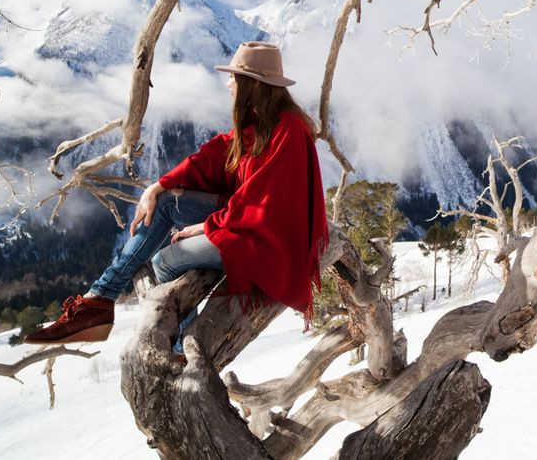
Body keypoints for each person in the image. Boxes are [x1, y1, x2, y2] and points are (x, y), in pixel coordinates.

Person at [25, 41, 328, 346]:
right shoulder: (261, 123)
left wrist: (210, 225)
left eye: (234, 77)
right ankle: (98, 301)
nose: (228, 84)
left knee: (165, 262)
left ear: (253, 84)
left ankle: (181, 347)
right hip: (246, 219)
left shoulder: (288, 129)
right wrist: (157, 187)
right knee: (168, 203)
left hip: (269, 240)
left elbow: (267, 202)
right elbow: (214, 157)